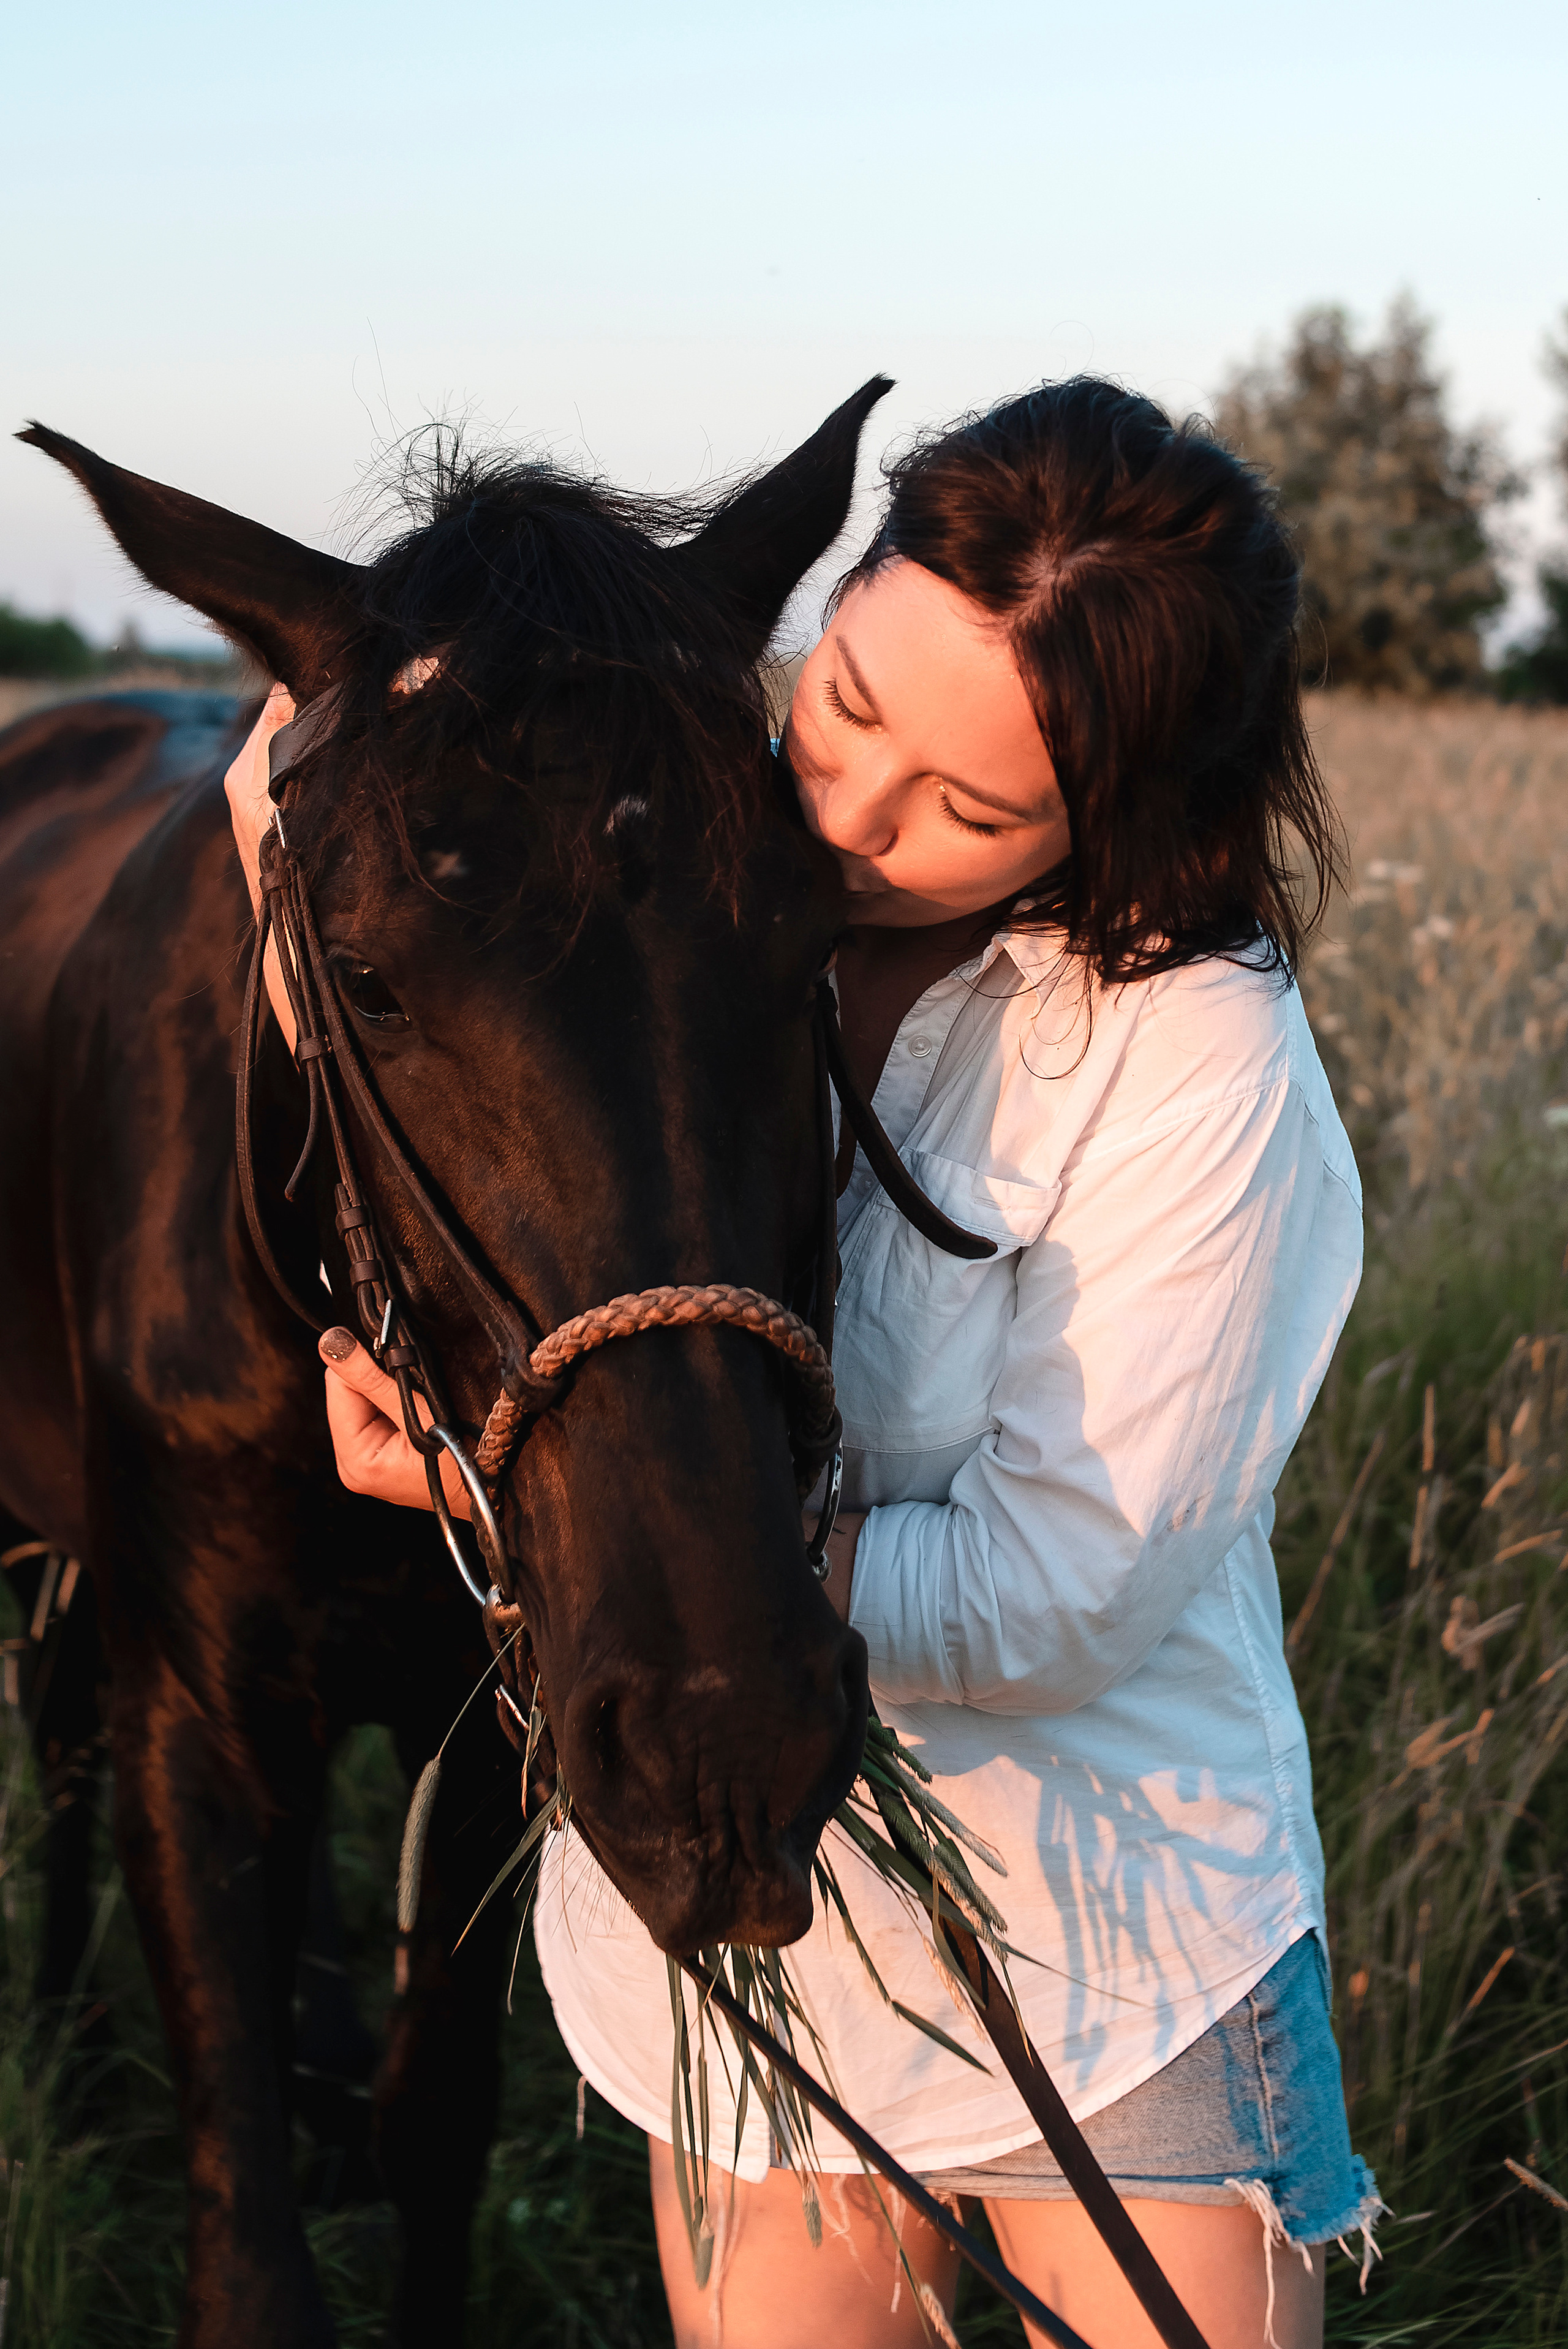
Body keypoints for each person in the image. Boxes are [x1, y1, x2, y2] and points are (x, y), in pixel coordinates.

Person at [227, 379, 1379, 2349]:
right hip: (748, 1915)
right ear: (822, 605)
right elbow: (370, 939)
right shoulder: (674, 866)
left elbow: (1052, 1595)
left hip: (1104, 1955)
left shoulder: (1195, 1064)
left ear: (1119, 827)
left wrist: (569, 1512)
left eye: (970, 810)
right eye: (845, 707)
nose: (848, 814)